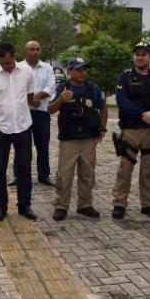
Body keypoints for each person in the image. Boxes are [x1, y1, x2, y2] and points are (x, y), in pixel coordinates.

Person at [111, 42, 150, 220]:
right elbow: (122, 101)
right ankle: (119, 204)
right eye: (137, 54)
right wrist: (144, 114)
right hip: (130, 130)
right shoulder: (125, 78)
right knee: (125, 169)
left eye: (144, 54)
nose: (140, 57)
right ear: (133, 57)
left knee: (149, 170)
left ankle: (148, 204)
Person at [48, 58, 107, 221]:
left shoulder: (93, 89)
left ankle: (85, 205)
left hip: (88, 139)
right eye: (78, 69)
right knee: (65, 175)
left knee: (87, 174)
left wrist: (102, 128)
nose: (82, 73)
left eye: (84, 69)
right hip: (69, 140)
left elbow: (102, 108)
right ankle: (61, 206)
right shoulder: (62, 88)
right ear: (70, 71)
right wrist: (61, 99)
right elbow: (49, 109)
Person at [0, 42, 37, 222]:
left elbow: (30, 97)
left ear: (14, 56)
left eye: (8, 62)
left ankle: (25, 205)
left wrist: (18, 111)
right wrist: (3, 113)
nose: (6, 66)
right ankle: (0, 206)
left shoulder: (27, 72)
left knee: (24, 167)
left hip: (23, 126)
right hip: (1, 128)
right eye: (2, 62)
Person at [9, 41, 55, 187]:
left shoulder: (47, 68)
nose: (35, 52)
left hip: (41, 112)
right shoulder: (18, 68)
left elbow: (51, 86)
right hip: (24, 112)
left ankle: (44, 175)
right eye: (31, 49)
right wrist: (30, 100)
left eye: (37, 49)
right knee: (21, 146)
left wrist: (38, 96)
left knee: (43, 145)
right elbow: (14, 87)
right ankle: (18, 175)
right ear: (25, 51)